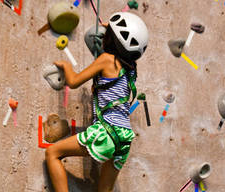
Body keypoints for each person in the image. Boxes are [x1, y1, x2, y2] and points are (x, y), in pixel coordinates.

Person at [45, 12, 149, 192]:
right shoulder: (131, 69)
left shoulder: (107, 60)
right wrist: (112, 28)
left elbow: (74, 81)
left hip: (107, 131)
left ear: (112, 39)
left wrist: (66, 66)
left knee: (52, 153)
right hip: (124, 138)